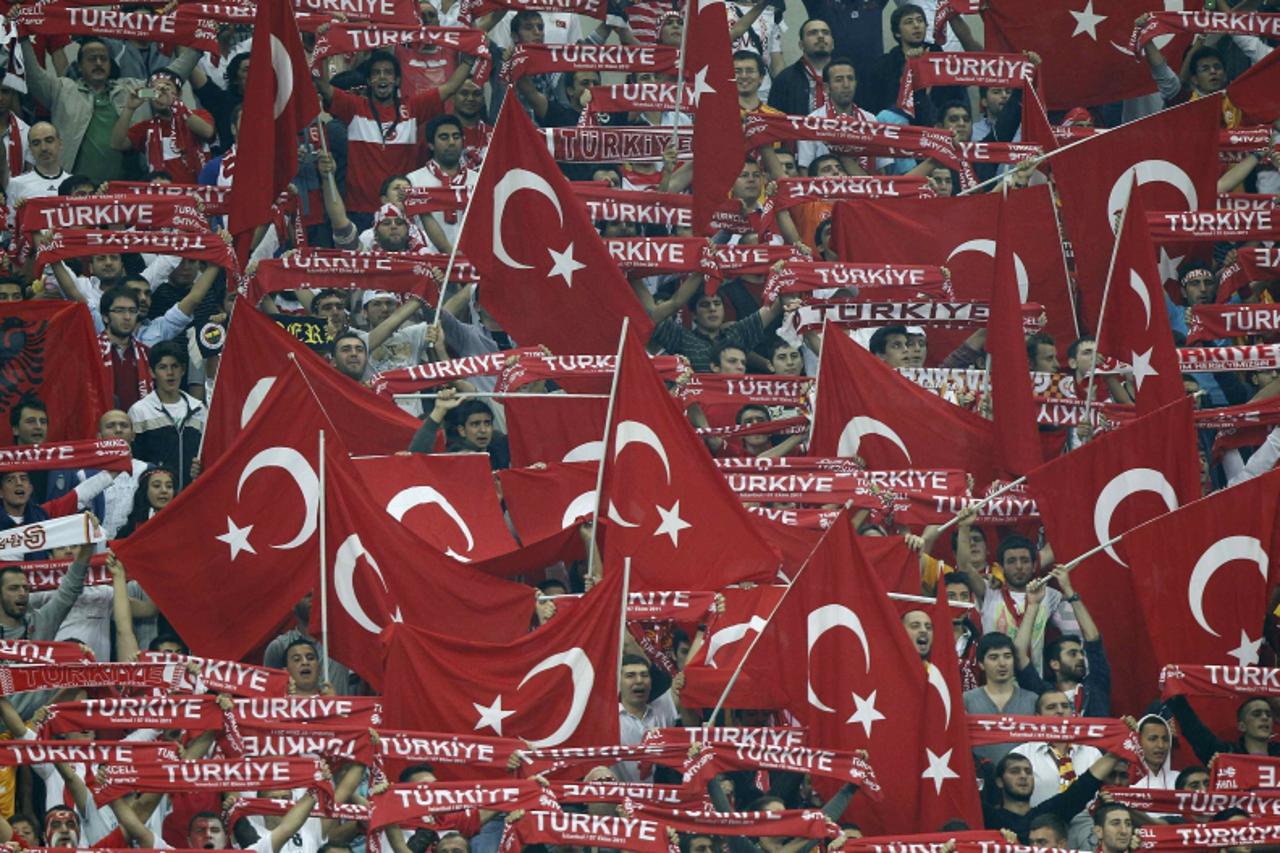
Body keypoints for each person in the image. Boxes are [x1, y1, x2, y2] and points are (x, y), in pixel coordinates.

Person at [19, 36, 199, 182]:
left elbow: (170, 78)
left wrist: (201, 42)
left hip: (129, 187)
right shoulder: (62, 90)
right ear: (80, 66)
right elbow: (34, 75)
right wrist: (22, 37)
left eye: (103, 58)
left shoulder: (135, 90)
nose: (98, 63)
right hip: (76, 188)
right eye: (91, 59)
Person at [1010, 690, 1103, 849]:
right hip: (1042, 834)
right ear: (1037, 717)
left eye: (1065, 706)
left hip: (1086, 832)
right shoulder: (1021, 754)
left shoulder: (1092, 753)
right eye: (1052, 707)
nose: (1060, 711)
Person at [1012, 569, 1111, 717]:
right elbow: (1019, 653)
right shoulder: (1041, 692)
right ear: (1054, 664)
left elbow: (1093, 639)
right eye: (1072, 653)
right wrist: (1033, 605)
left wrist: (1070, 592)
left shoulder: (1096, 686)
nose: (1080, 658)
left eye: (1081, 653)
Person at [982, 749, 1123, 842]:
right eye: (1015, 771)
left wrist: (1122, 745)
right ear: (999, 781)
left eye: (1028, 771)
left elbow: (1085, 785)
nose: (1023, 776)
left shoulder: (1048, 814)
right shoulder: (986, 817)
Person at [110, 70, 216, 182]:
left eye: (166, 87)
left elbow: (207, 132)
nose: (160, 93)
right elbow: (117, 144)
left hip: (199, 195)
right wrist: (129, 109)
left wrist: (175, 105)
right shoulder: (147, 127)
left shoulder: (198, 115)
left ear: (179, 94)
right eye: (154, 90)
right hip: (164, 196)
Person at [128, 341, 206, 492]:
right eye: (163, 367)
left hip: (191, 496)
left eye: (175, 366)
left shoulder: (199, 409)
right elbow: (134, 461)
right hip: (155, 498)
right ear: (152, 372)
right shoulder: (140, 410)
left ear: (183, 370)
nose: (170, 373)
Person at [963, 633, 1038, 764]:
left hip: (1024, 777)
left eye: (1007, 657)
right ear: (981, 664)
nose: (1002, 663)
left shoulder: (1032, 700)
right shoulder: (966, 701)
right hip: (981, 778)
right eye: (994, 657)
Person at [409, 387, 511, 470]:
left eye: (487, 423)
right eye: (475, 424)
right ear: (462, 430)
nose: (483, 430)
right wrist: (439, 410)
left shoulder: (502, 448)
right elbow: (416, 456)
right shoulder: (452, 457)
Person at [767, 20, 835, 116]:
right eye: (813, 33)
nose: (820, 36)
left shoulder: (847, 76)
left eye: (825, 32)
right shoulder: (785, 79)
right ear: (801, 45)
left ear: (833, 44)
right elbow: (775, 121)